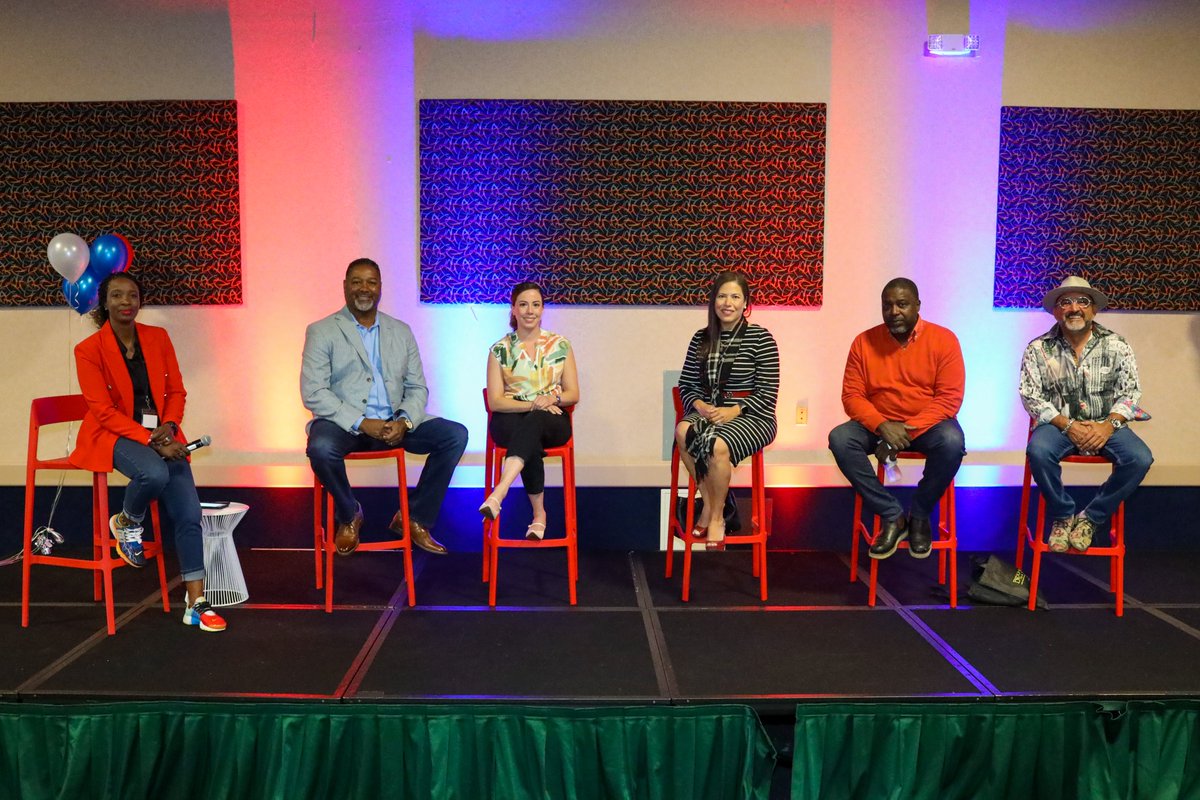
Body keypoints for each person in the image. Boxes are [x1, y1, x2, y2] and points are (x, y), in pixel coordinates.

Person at [71, 272, 226, 632]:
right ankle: (127, 521)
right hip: (114, 434)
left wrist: (169, 427)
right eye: (117, 296)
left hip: (162, 434)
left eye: (133, 295)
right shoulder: (88, 351)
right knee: (153, 473)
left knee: (189, 513)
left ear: (140, 301)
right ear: (104, 302)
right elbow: (103, 412)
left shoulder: (159, 338)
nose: (126, 302)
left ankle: (195, 603)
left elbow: (176, 393)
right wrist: (151, 439)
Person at [301, 258, 468, 557]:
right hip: (345, 425)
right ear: (344, 287)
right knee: (320, 448)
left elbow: (417, 388)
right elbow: (313, 392)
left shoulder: (400, 331)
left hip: (393, 423)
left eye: (371, 282)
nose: (364, 289)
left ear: (380, 288)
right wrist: (362, 423)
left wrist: (404, 422)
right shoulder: (322, 330)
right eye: (356, 282)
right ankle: (349, 512)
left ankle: (414, 517)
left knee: (455, 435)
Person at [829, 278, 965, 560]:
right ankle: (892, 515)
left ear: (917, 306)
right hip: (879, 423)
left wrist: (905, 431)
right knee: (840, 439)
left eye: (902, 304)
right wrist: (882, 427)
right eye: (887, 305)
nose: (894, 311)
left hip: (927, 425)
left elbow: (949, 399)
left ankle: (919, 514)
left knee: (952, 442)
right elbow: (852, 397)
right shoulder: (863, 342)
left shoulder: (944, 339)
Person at [1019, 276, 1153, 552]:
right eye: (1065, 302)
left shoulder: (1117, 345)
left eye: (1083, 301)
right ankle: (1063, 515)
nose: (1074, 308)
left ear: (1093, 309)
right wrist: (1068, 425)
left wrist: (1108, 426)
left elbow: (1130, 393)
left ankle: (1091, 519)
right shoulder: (1038, 348)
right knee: (1038, 452)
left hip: (1108, 424)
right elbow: (1030, 395)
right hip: (1057, 425)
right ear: (1056, 311)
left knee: (1140, 458)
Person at [675, 271, 779, 549]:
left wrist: (735, 410)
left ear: (746, 303)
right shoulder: (701, 338)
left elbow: (768, 392)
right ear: (713, 301)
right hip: (711, 410)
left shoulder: (761, 338)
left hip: (753, 416)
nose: (727, 303)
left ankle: (718, 517)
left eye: (735, 296)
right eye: (722, 296)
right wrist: (699, 405)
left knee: (718, 446)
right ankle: (709, 503)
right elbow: (686, 384)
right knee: (683, 430)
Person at [479, 282, 580, 540]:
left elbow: (573, 394)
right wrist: (534, 403)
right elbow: (496, 402)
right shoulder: (499, 350)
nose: (529, 311)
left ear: (543, 309)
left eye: (535, 304)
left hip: (552, 421)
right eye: (523, 304)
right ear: (513, 309)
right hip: (509, 420)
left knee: (533, 424)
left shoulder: (561, 345)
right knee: (528, 433)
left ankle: (499, 491)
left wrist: (552, 399)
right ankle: (539, 515)